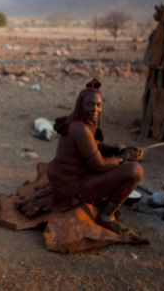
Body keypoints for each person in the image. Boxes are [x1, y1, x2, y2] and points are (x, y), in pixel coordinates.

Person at [47, 79, 143, 235]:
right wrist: (125, 156)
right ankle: (105, 216)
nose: (95, 109)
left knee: (119, 146)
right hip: (71, 188)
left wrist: (117, 149)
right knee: (135, 170)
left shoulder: (81, 122)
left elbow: (95, 143)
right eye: (90, 105)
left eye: (98, 105)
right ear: (81, 105)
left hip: (68, 178)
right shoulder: (80, 129)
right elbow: (99, 165)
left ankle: (103, 201)